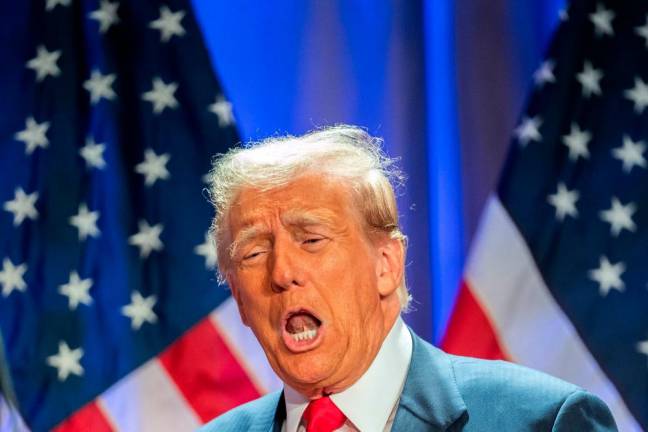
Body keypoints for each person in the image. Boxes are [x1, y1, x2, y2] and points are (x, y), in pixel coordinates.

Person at [199, 125, 617, 431]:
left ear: (386, 265)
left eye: (311, 239)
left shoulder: (542, 421)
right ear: (238, 297)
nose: (282, 273)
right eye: (254, 253)